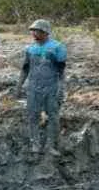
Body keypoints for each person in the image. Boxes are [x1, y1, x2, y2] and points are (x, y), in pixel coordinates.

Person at [15, 19, 67, 155]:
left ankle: (50, 145)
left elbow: (61, 72)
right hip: (33, 87)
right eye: (32, 31)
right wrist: (19, 86)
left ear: (45, 32)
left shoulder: (57, 48)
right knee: (33, 116)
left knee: (53, 117)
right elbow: (25, 69)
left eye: (37, 31)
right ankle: (35, 144)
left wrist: (61, 89)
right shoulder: (30, 49)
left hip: (51, 87)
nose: (33, 34)